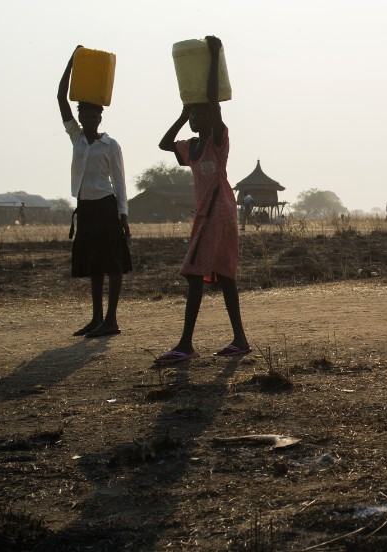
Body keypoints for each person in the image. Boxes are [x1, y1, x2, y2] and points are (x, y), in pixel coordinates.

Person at [155, 35, 250, 364]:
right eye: (192, 116)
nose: (196, 119)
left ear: (212, 115)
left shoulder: (217, 140)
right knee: (224, 276)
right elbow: (164, 144)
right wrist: (183, 114)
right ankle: (240, 340)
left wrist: (212, 59)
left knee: (195, 274)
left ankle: (185, 345)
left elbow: (212, 100)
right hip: (213, 215)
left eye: (200, 114)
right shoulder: (191, 149)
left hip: (217, 215)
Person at [58, 46, 131, 338]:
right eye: (84, 114)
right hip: (86, 208)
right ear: (80, 117)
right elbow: (61, 97)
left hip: (107, 207)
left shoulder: (110, 145)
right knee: (94, 265)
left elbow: (121, 181)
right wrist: (72, 61)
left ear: (100, 117)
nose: (88, 119)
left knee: (112, 263)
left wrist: (123, 215)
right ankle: (96, 318)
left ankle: (111, 320)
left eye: (93, 115)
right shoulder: (76, 137)